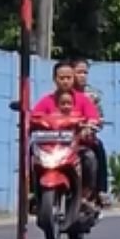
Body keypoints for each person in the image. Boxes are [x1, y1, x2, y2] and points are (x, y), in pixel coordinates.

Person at [32, 60, 102, 202]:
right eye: (61, 78)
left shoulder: (83, 100)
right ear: (54, 79)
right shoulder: (46, 101)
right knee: (31, 154)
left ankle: (86, 194)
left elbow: (93, 118)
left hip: (76, 147)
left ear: (73, 78)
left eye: (68, 78)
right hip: (50, 147)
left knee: (89, 157)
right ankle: (33, 191)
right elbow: (34, 116)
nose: (65, 81)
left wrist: (88, 127)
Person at [71, 57, 110, 204]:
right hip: (64, 139)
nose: (83, 76)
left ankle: (101, 190)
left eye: (85, 72)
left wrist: (92, 125)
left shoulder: (92, 96)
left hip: (84, 139)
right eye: (79, 72)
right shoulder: (63, 94)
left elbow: (99, 118)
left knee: (98, 149)